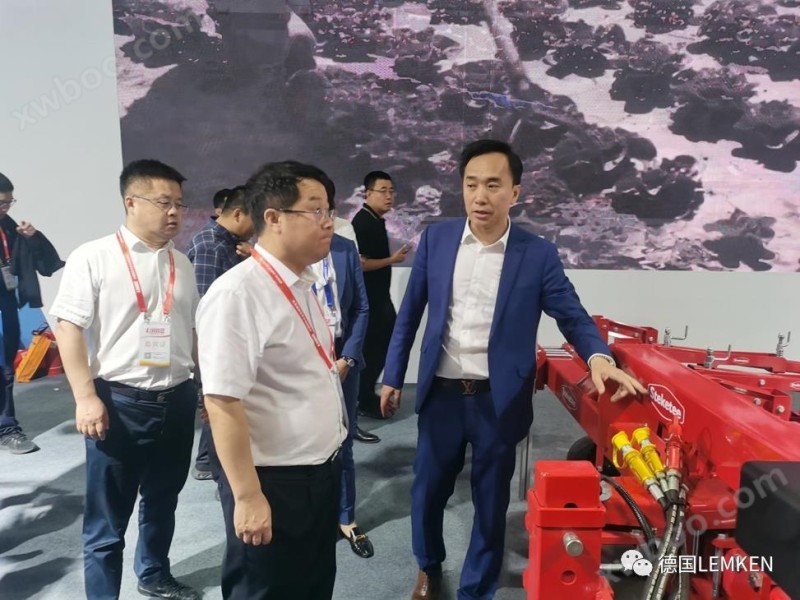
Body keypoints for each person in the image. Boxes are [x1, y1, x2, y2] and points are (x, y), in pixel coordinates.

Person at [380, 140, 647, 600]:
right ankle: (428, 567)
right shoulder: (437, 241)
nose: (480, 196)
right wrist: (391, 374)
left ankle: (476, 589)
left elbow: (571, 314)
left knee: (490, 501)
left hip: (498, 400)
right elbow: (409, 314)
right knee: (426, 492)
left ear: (515, 193)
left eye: (492, 185)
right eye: (471, 185)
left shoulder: (536, 254)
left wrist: (599, 357)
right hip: (442, 395)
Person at [50, 160, 201, 600]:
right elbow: (68, 328)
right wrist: (85, 398)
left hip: (177, 399)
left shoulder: (181, 263)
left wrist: (205, 388)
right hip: (118, 403)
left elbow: (191, 332)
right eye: (164, 202)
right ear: (131, 202)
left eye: (179, 204)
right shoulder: (94, 256)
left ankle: (153, 573)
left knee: (163, 499)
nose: (174, 212)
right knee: (107, 520)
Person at [196, 160, 347, 599]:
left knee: (311, 585)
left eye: (329, 211)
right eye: (315, 210)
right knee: (267, 589)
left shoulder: (301, 284)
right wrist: (247, 496)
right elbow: (222, 401)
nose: (328, 222)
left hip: (318, 472)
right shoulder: (238, 294)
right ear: (274, 218)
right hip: (273, 481)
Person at [312, 170, 376, 558]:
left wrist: (349, 356)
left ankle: (346, 517)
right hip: (304, 360)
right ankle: (314, 518)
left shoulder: (344, 248)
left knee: (344, 438)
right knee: (308, 442)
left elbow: (361, 308)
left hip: (344, 357)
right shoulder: (288, 254)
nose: (320, 216)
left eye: (324, 208)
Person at [187, 185, 255, 480]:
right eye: (255, 218)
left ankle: (210, 464)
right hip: (215, 346)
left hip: (231, 341)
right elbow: (204, 307)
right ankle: (216, 471)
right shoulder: (209, 245)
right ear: (238, 214)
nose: (257, 228)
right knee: (219, 410)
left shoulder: (232, 243)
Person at [0, 171, 64, 454]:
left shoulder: (8, 226)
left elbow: (46, 264)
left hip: (5, 306)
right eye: (2, 202)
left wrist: (33, 237)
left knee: (5, 369)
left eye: (9, 202)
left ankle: (6, 428)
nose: (6, 208)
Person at [351, 171, 409, 419]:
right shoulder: (363, 223)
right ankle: (363, 398)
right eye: (383, 191)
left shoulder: (374, 220)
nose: (389, 196)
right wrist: (392, 260)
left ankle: (364, 395)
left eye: (391, 191)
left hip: (379, 297)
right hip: (371, 300)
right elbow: (361, 264)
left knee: (380, 347)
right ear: (368, 193)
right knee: (376, 349)